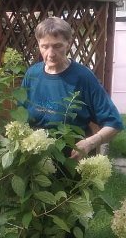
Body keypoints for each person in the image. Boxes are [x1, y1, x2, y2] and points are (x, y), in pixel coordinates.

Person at [21, 17, 124, 160]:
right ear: (38, 44)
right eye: (45, 46)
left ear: (68, 44)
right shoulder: (32, 74)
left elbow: (114, 123)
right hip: (35, 162)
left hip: (71, 163)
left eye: (57, 46)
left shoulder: (83, 77)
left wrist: (90, 142)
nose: (50, 54)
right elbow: (21, 115)